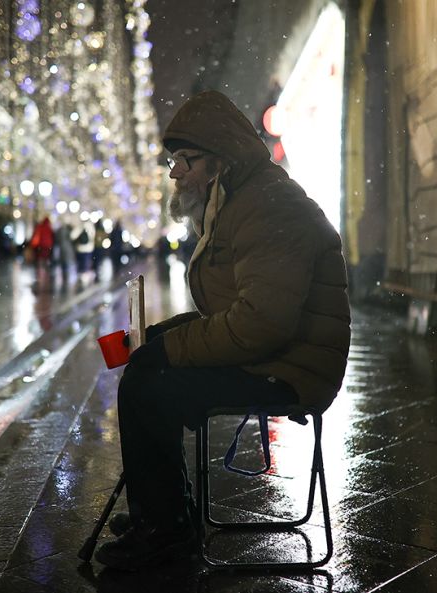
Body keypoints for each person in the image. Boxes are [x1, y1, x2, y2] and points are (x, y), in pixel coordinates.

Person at [93, 91, 351, 570]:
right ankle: (163, 511)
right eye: (173, 162)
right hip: (273, 354)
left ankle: (166, 530)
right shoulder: (238, 201)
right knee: (150, 369)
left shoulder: (268, 206)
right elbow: (237, 312)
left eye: (183, 161)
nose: (175, 173)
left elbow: (261, 323)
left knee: (150, 386)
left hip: (291, 367)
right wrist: (159, 337)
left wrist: (169, 350)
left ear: (218, 159)